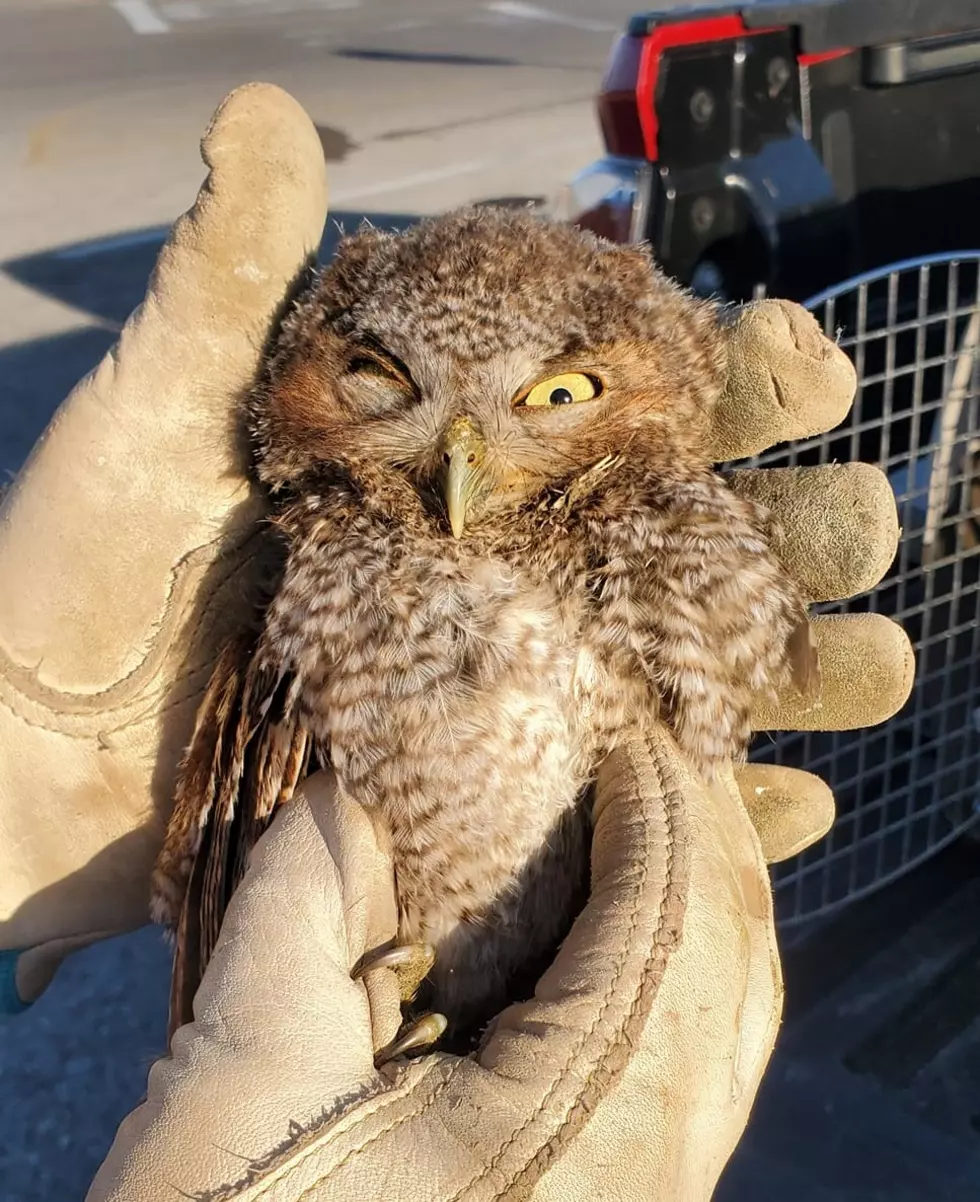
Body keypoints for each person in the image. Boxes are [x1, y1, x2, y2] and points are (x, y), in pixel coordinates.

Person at [0, 84, 912, 1201]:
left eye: (560, 391)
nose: (461, 463)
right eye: (385, 385)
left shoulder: (665, 521)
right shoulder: (315, 548)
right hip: (364, 1000)